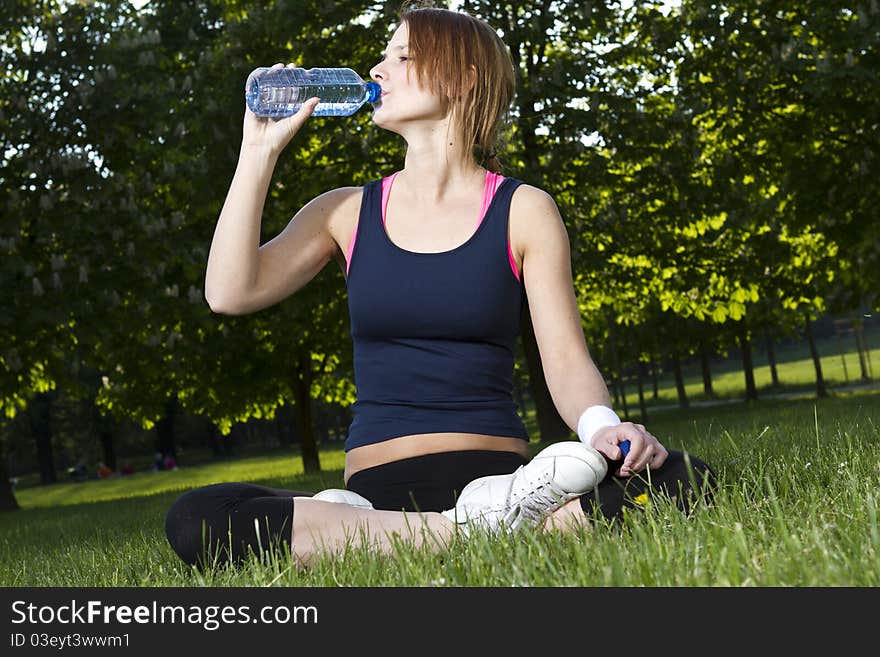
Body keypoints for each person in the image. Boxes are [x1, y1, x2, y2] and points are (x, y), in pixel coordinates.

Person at [165, 4, 716, 569]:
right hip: (380, 495)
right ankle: (477, 531)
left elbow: (566, 359)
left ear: (462, 77)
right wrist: (258, 152)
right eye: (383, 56)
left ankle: (374, 535)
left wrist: (604, 428)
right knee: (198, 517)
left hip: (504, 479)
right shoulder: (345, 212)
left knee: (685, 477)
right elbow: (228, 293)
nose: (378, 70)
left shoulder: (523, 210)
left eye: (402, 56)